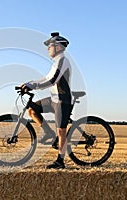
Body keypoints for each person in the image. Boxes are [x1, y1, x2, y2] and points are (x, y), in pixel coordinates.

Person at [21, 32, 72, 169]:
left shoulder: (63, 60)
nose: (47, 49)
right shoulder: (56, 63)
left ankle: (60, 161)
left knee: (61, 131)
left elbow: (52, 80)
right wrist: (28, 83)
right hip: (53, 99)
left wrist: (33, 86)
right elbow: (45, 78)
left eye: (50, 46)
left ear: (58, 47)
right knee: (32, 110)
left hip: (63, 100)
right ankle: (49, 133)